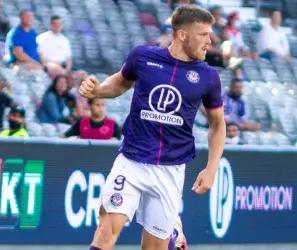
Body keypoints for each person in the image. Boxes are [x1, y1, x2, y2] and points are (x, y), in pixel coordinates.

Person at [79, 5, 225, 250]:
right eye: (203, 34)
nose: (209, 41)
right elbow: (120, 82)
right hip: (132, 160)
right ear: (181, 34)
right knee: (106, 232)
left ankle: (173, 232)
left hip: (170, 169)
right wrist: (98, 90)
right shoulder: (143, 57)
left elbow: (218, 125)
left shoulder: (208, 76)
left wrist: (211, 169)